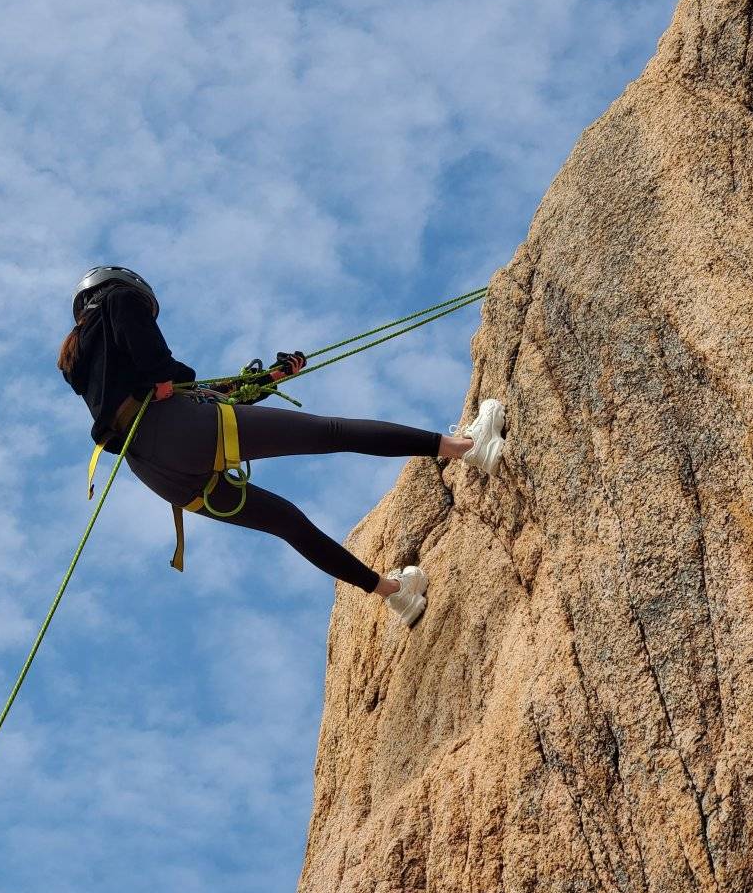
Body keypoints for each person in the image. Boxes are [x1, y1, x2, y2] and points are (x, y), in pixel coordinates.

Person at [58, 266, 506, 626]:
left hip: (158, 473)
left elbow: (194, 395)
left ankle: (393, 594)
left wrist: (268, 379)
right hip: (176, 428)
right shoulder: (120, 300)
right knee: (331, 433)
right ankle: (466, 447)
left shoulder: (81, 361)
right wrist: (175, 377)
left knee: (287, 522)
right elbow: (166, 371)